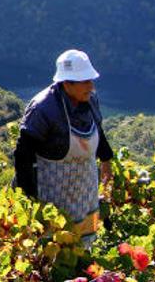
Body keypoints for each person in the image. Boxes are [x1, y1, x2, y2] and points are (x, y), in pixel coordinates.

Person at [14, 49, 113, 246]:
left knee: (82, 245)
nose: (91, 86)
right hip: (52, 193)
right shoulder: (43, 109)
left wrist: (106, 159)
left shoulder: (90, 99)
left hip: (84, 189)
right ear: (67, 83)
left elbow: (98, 131)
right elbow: (23, 154)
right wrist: (29, 197)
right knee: (54, 247)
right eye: (85, 81)